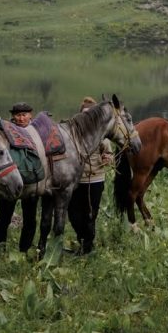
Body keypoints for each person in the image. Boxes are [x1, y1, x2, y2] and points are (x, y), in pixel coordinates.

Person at [67, 97, 115, 254]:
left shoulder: (101, 136)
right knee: (73, 213)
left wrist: (107, 158)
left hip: (95, 179)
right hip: (75, 180)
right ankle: (84, 241)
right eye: (84, 114)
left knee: (90, 214)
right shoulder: (72, 134)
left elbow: (109, 154)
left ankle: (86, 247)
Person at [0, 102, 38, 252]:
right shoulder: (5, 132)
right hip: (10, 181)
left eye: (24, 115)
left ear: (30, 115)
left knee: (30, 219)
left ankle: (24, 250)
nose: (21, 118)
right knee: (4, 218)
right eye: (17, 115)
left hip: (31, 182)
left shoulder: (36, 132)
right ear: (12, 116)